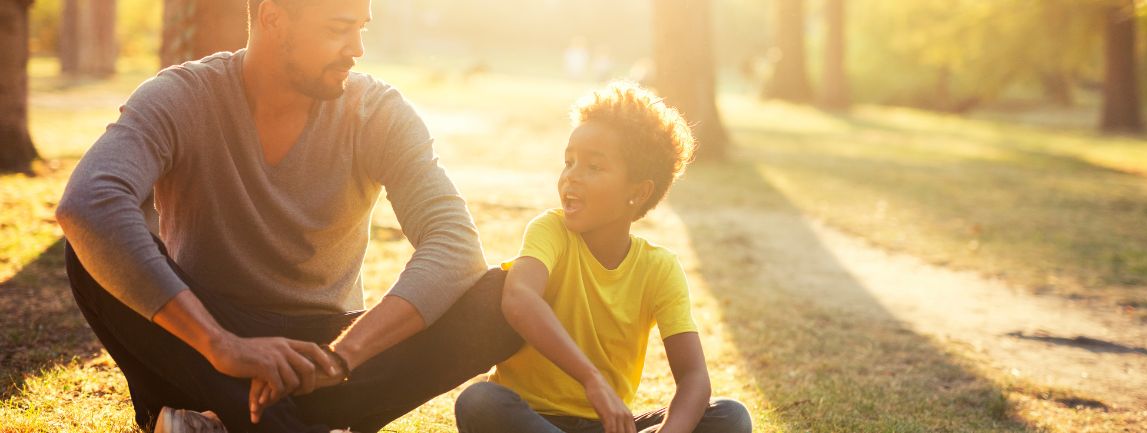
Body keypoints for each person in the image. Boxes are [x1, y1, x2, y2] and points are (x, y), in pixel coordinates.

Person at [55, 0, 521, 431]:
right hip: (204, 346)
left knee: (506, 294)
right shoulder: (182, 95)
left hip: (328, 349)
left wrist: (339, 360)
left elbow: (455, 243)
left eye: (361, 28)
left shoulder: (376, 111)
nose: (357, 49)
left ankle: (225, 420)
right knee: (90, 251)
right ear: (274, 17)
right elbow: (89, 202)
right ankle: (280, 417)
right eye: (339, 28)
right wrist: (223, 346)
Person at [453, 82, 752, 433]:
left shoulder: (659, 269)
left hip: (608, 426)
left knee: (730, 417)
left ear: (638, 193)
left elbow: (694, 377)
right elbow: (519, 299)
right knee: (480, 402)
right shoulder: (551, 231)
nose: (571, 177)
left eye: (593, 167)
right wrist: (592, 379)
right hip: (529, 418)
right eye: (569, 162)